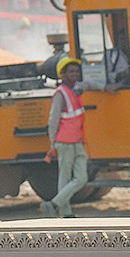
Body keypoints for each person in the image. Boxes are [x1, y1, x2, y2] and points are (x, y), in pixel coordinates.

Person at [42, 57, 90, 218]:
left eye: (76, 71)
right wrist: (53, 143)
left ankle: (54, 204)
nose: (75, 74)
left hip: (77, 141)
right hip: (64, 142)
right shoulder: (60, 94)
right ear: (63, 74)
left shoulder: (75, 91)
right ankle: (65, 212)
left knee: (81, 178)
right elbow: (53, 120)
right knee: (65, 177)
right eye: (71, 71)